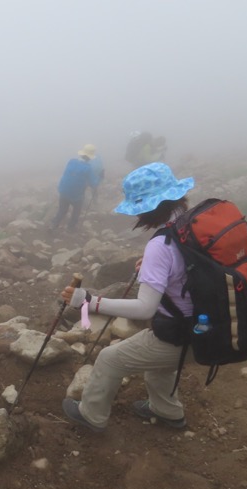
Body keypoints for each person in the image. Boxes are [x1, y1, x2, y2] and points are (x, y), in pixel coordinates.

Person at [61, 162, 195, 432]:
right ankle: (167, 411)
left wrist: (90, 301)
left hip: (185, 333)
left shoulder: (162, 244)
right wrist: (155, 266)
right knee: (159, 363)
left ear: (148, 207)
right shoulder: (191, 224)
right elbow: (186, 265)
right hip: (214, 324)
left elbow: (146, 308)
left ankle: (91, 416)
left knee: (110, 358)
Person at [50, 147, 95, 232]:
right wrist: (100, 177)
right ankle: (71, 228)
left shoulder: (71, 161)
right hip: (76, 195)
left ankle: (54, 224)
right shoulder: (88, 168)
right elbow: (93, 183)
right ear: (90, 157)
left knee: (62, 210)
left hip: (63, 190)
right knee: (76, 212)